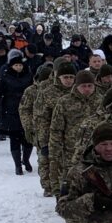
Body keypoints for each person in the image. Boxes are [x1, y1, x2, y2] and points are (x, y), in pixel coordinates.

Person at [48, 69, 102, 197]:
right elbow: (56, 129)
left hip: (96, 152)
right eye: (83, 86)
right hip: (71, 152)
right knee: (69, 184)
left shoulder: (101, 102)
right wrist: (55, 151)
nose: (87, 89)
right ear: (77, 86)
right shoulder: (64, 102)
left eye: (90, 86)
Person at [33, 61, 77, 197]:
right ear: (59, 77)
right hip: (54, 136)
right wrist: (44, 142)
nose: (68, 80)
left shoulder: (78, 92)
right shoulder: (47, 93)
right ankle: (53, 189)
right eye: (65, 77)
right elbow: (41, 119)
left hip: (74, 137)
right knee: (54, 166)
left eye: (71, 77)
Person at [0, 53, 34, 175]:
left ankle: (26, 159)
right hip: (10, 110)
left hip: (27, 110)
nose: (18, 67)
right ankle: (17, 165)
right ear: (11, 66)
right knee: (14, 138)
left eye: (20, 65)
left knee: (28, 138)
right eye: (16, 65)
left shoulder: (29, 76)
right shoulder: (5, 77)